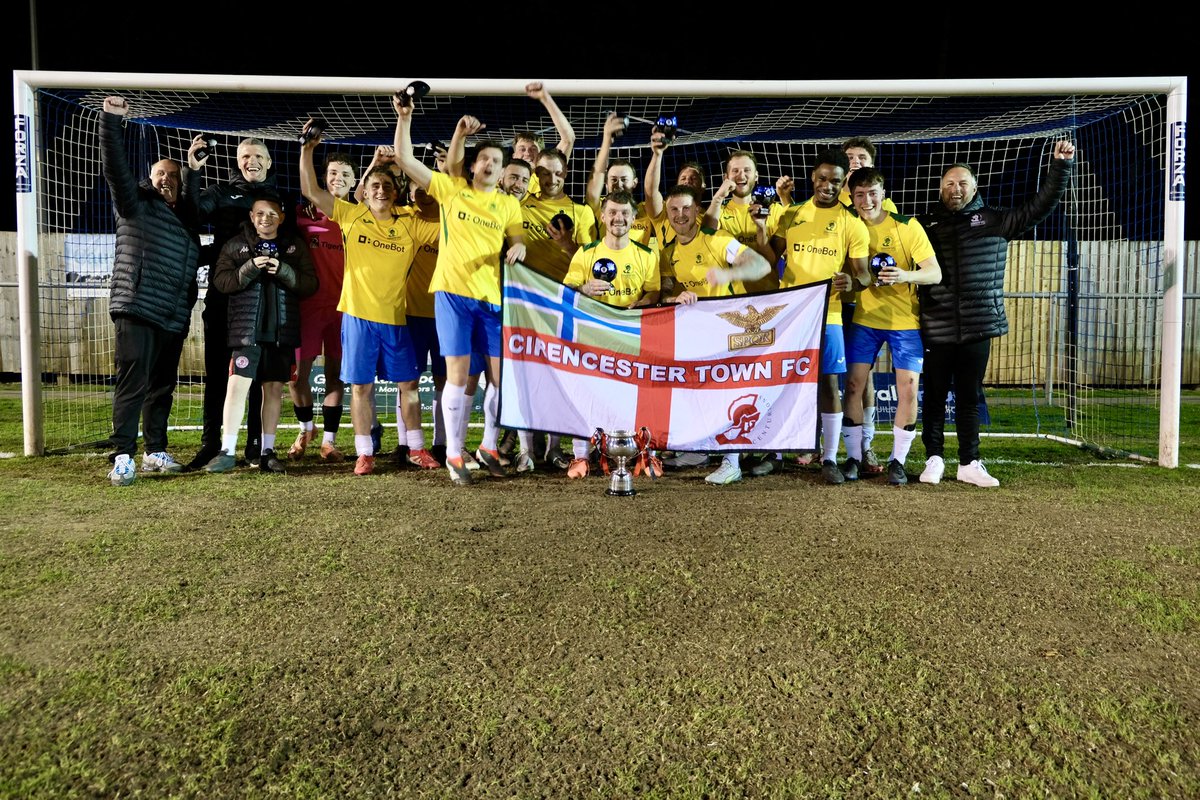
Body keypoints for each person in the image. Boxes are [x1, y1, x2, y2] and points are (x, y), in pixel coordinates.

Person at [917, 141, 1076, 487]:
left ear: (974, 188)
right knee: (934, 396)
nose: (956, 188)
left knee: (969, 396)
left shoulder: (995, 220)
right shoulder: (924, 225)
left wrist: (1061, 167)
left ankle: (969, 463)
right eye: (949, 183)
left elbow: (1040, 206)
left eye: (962, 183)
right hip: (936, 324)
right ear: (940, 189)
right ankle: (934, 459)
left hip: (978, 326)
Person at [394, 99, 526, 486]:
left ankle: (488, 447)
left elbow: (517, 238)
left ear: (502, 171)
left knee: (500, 381)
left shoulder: (507, 205)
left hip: (491, 300)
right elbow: (404, 159)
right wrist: (405, 117)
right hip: (452, 295)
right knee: (456, 376)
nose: (489, 164)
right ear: (472, 165)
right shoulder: (452, 190)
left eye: (496, 161)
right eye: (484, 158)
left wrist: (519, 247)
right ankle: (454, 452)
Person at [300, 121, 438, 476]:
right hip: (358, 318)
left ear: (396, 191)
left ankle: (417, 448)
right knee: (361, 387)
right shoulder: (351, 214)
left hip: (396, 318)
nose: (380, 190)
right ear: (365, 190)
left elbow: (445, 214)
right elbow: (311, 190)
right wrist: (308, 149)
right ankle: (364, 453)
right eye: (374, 185)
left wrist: (412, 167)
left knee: (409, 386)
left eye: (387, 186)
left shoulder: (410, 222)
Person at [98, 95, 204, 486]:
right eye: (159, 173)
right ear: (149, 177)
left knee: (161, 387)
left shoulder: (188, 226)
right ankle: (123, 456)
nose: (165, 179)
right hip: (138, 307)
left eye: (172, 176)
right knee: (133, 383)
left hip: (172, 317)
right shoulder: (136, 204)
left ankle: (155, 450)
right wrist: (111, 121)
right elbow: (115, 168)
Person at [771, 149, 873, 484]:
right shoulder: (792, 215)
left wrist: (853, 282)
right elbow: (768, 256)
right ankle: (775, 453)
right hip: (789, 314)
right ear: (813, 178)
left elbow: (864, 274)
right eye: (822, 178)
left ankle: (829, 457)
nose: (828, 185)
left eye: (835, 181)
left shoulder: (852, 224)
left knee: (829, 384)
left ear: (844, 183)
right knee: (781, 382)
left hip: (828, 315)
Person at [659, 185, 771, 485]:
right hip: (695, 332)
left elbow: (761, 265)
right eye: (674, 209)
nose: (680, 215)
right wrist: (673, 298)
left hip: (728, 329)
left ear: (697, 210)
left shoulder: (717, 239)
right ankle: (697, 452)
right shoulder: (668, 253)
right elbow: (664, 293)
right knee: (694, 390)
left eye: (686, 208)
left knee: (727, 393)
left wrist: (728, 274)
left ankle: (731, 462)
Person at [188, 136, 285, 471]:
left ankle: (255, 446)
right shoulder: (220, 193)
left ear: (269, 162)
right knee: (217, 372)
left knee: (259, 376)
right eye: (245, 156)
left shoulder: (281, 200)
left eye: (258, 155)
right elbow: (192, 213)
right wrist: (194, 172)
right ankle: (210, 444)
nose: (251, 161)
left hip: (264, 303)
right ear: (237, 161)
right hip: (224, 297)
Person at [204, 196, 317, 473]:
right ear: (251, 217)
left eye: (272, 214)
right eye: (260, 214)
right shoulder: (235, 245)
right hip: (246, 332)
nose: (266, 218)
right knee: (236, 387)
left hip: (281, 333)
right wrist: (250, 267)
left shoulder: (294, 246)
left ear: (282, 218)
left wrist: (284, 270)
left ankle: (267, 451)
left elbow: (310, 284)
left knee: (274, 390)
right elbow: (222, 282)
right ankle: (227, 451)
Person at [843, 167, 942, 485]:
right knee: (854, 386)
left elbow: (934, 272)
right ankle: (854, 458)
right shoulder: (848, 226)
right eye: (860, 194)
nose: (867, 200)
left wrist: (905, 275)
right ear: (852, 197)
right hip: (865, 320)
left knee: (908, 388)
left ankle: (897, 461)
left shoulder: (906, 226)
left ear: (883, 195)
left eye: (872, 193)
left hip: (905, 322)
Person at [562, 191, 661, 479]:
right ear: (603, 217)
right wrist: (583, 289)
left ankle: (648, 455)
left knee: (642, 394)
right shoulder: (586, 253)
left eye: (625, 213)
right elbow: (566, 291)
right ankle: (580, 457)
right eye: (613, 213)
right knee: (584, 394)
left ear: (634, 217)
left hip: (631, 337)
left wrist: (642, 302)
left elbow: (654, 292)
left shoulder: (646, 255)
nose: (619, 218)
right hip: (592, 337)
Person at [286, 152, 357, 463]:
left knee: (335, 376)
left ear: (354, 182)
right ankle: (306, 429)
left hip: (345, 308)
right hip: (309, 307)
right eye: (332, 173)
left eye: (345, 174)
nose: (338, 179)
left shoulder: (358, 215)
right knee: (295, 377)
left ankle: (329, 441)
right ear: (324, 178)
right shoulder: (302, 215)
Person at [585, 113, 658, 248]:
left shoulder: (645, 210)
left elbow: (651, 191)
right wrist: (607, 139)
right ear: (606, 183)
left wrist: (657, 154)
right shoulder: (599, 207)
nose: (618, 184)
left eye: (624, 179)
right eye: (613, 179)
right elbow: (596, 176)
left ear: (634, 183)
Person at [511, 82, 576, 197]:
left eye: (533, 149)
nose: (527, 153)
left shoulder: (546, 175)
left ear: (540, 156)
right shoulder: (502, 175)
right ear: (514, 155)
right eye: (522, 149)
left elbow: (568, 139)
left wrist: (545, 98)